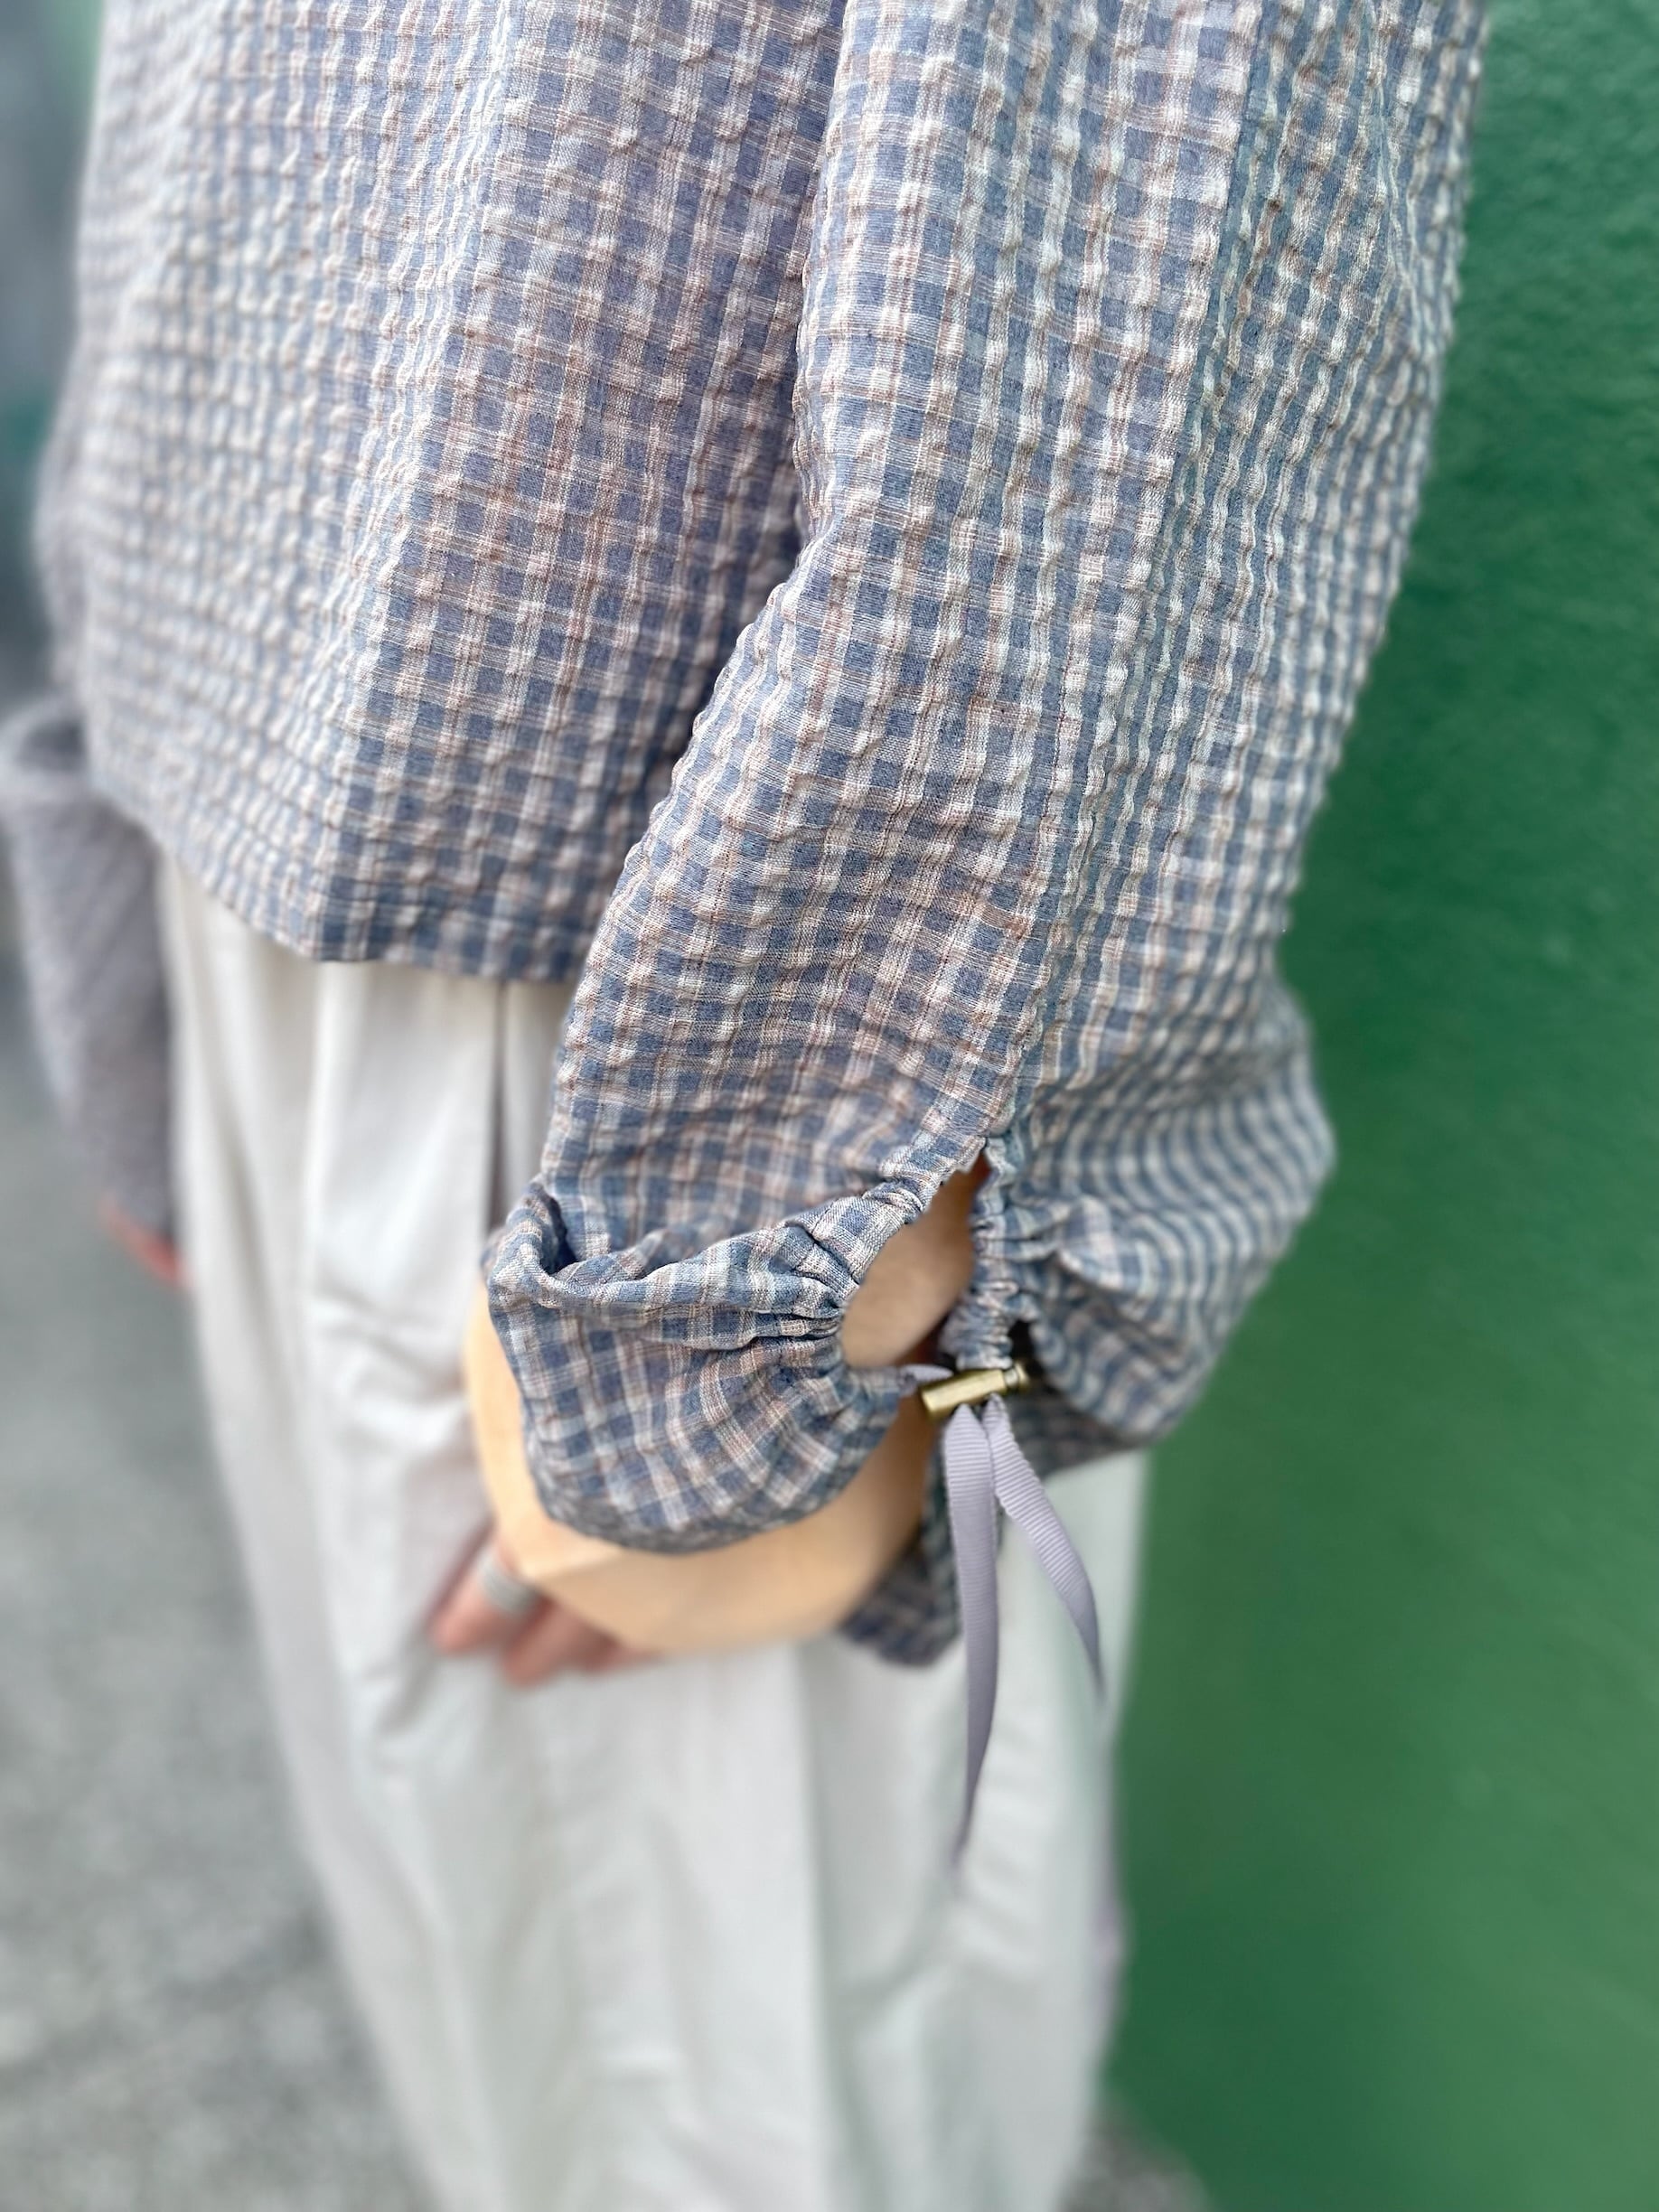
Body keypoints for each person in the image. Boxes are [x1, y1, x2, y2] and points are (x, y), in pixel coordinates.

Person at [1, 1, 1485, 2206]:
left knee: (742, 2093)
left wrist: (769, 1288)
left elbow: (1121, 272)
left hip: (680, 1021)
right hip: (300, 841)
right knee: (520, 2020)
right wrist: (119, 883)